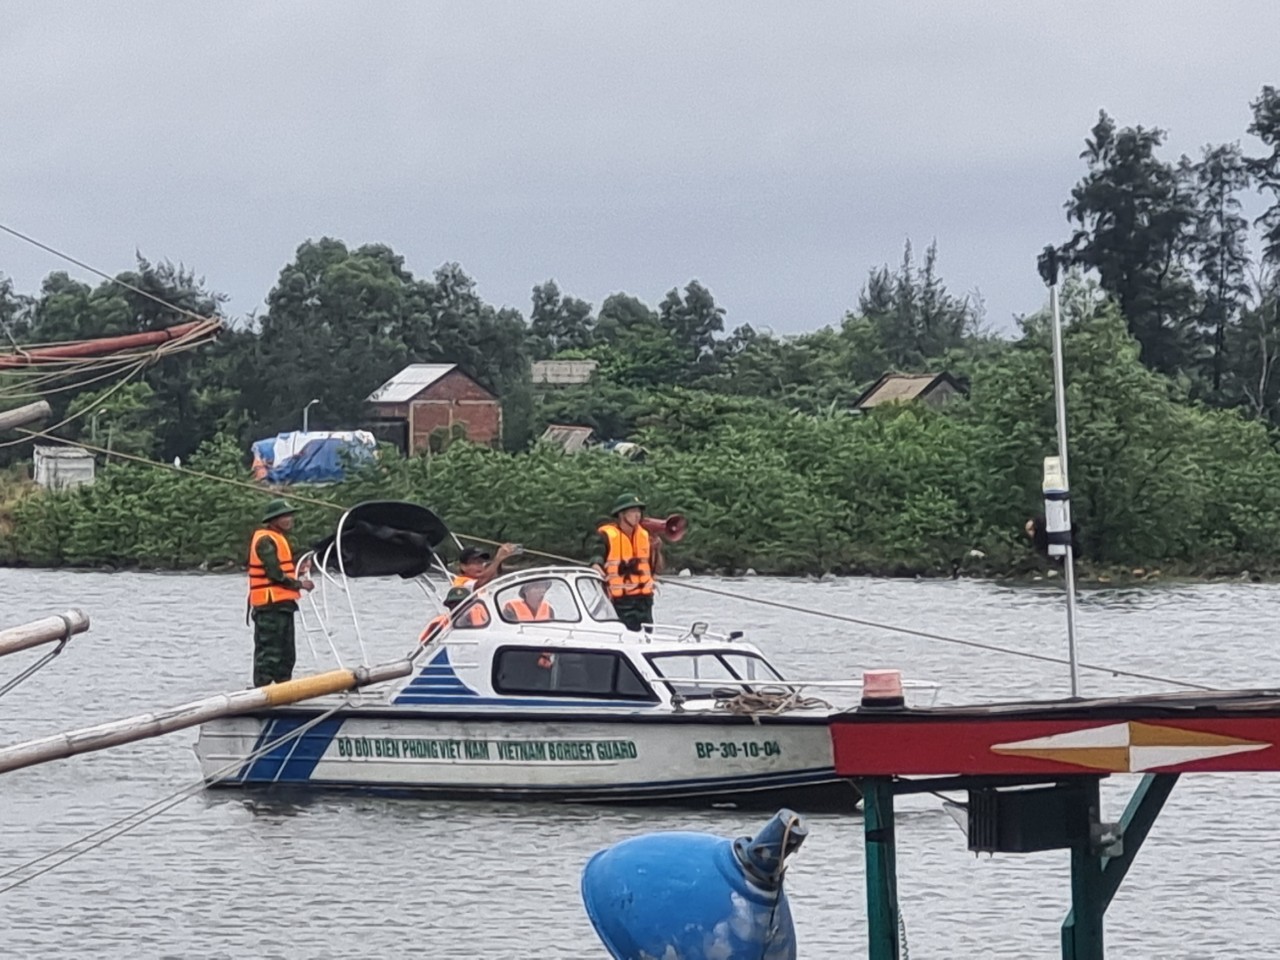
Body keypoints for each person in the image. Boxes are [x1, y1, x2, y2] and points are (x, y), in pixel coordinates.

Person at [247, 498, 314, 686]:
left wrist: (298, 571)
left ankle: (284, 689)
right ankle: (262, 692)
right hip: (269, 605)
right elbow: (275, 574)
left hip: (283, 605)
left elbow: (282, 570)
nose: (289, 519)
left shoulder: (279, 539)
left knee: (287, 654)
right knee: (269, 654)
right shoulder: (265, 540)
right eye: (285, 516)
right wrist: (301, 584)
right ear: (273, 520)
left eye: (290, 516)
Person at [590, 492, 663, 632]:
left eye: (638, 511)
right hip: (621, 602)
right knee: (626, 635)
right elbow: (596, 554)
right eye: (633, 511)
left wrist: (653, 574)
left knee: (647, 636)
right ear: (622, 514)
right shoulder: (607, 536)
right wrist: (596, 565)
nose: (637, 515)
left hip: (644, 601)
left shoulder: (645, 536)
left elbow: (651, 565)